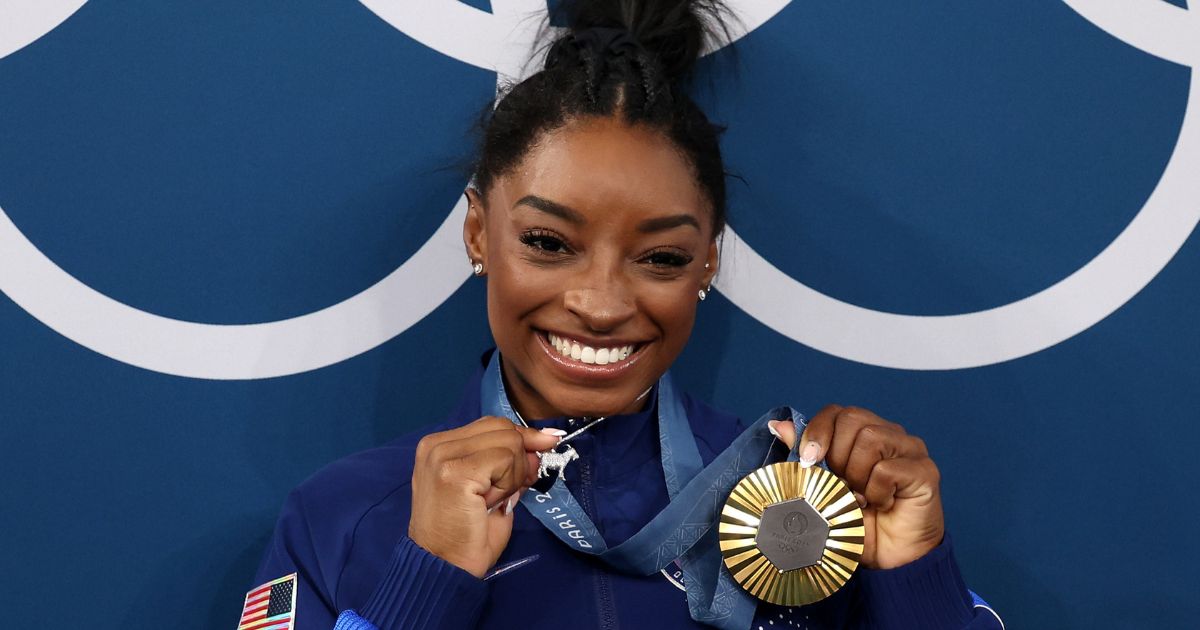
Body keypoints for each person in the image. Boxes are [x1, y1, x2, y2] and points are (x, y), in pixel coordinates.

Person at [245, 1, 1004, 628]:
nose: (602, 303)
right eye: (548, 242)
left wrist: (916, 578)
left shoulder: (819, 508)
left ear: (708, 260)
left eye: (661, 258)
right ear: (478, 231)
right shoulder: (342, 515)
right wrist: (425, 584)